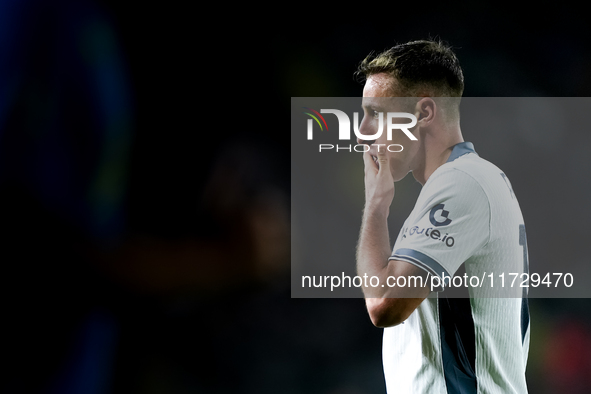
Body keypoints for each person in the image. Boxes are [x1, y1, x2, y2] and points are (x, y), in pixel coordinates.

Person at [354, 40, 530, 393]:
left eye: (376, 113)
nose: (364, 130)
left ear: (424, 113)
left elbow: (385, 304)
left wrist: (375, 208)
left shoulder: (461, 183)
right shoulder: (475, 179)